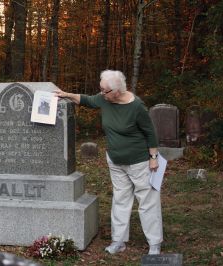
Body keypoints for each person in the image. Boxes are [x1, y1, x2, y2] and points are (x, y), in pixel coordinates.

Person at [54, 70, 163, 255]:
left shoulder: (136, 107)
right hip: (115, 160)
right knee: (120, 200)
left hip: (139, 162)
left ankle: (154, 243)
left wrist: (153, 158)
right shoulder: (105, 99)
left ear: (117, 91)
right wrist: (66, 95)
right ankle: (118, 241)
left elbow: (150, 132)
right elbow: (87, 100)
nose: (101, 94)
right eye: (101, 90)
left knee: (147, 202)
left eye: (104, 91)